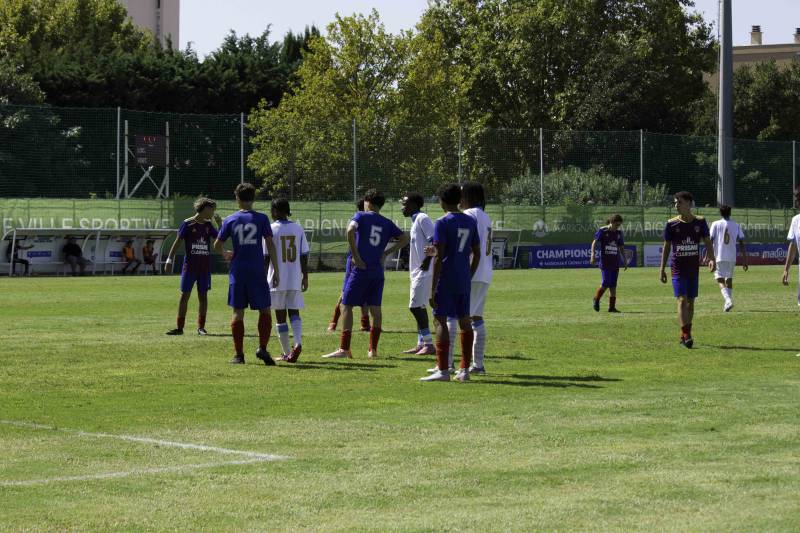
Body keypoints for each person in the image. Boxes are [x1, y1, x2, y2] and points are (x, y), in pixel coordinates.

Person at [322, 188, 408, 359]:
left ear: (367, 202)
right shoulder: (386, 222)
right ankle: (372, 350)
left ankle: (344, 349)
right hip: (377, 271)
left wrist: (355, 256)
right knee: (376, 310)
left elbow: (349, 231)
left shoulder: (360, 216)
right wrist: (385, 253)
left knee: (346, 305)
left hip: (360, 269)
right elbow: (405, 238)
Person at [214, 183, 281, 365]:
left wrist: (225, 253)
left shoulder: (230, 220)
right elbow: (270, 244)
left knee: (238, 312)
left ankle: (238, 355)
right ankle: (262, 348)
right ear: (254, 198)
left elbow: (217, 244)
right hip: (257, 271)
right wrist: (275, 269)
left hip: (238, 271)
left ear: (237, 198)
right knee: (265, 310)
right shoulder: (261, 218)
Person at [421, 183, 481, 382]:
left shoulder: (442, 222)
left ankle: (443, 370)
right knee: (465, 320)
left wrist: (432, 288)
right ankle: (464, 370)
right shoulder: (470, 221)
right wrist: (469, 274)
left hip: (445, 278)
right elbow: (477, 253)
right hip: (463, 278)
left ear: (442, 201)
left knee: (439, 319)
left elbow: (438, 256)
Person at [659, 191, 715, 349]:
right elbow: (667, 246)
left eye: (679, 202)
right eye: (675, 203)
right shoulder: (671, 224)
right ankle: (687, 335)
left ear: (689, 204)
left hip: (693, 269)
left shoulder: (700, 222)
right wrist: (662, 269)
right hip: (677, 269)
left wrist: (711, 259)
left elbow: (708, 242)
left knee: (690, 302)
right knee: (682, 300)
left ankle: (685, 333)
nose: (676, 205)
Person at [165, 198, 220, 336]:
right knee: (184, 295)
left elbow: (219, 239)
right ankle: (179, 328)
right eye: (211, 209)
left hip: (204, 268)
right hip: (189, 267)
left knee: (203, 296)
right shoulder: (187, 223)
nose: (213, 212)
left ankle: (201, 328)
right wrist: (169, 259)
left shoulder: (208, 225)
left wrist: (220, 225)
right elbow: (178, 242)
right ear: (204, 209)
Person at [267, 198, 310, 363]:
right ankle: (297, 343)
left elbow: (266, 257)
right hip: (294, 277)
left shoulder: (271, 229)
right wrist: (305, 276)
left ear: (276, 211)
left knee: (279, 315)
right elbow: (304, 254)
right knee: (294, 311)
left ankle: (286, 352)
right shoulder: (298, 228)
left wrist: (265, 279)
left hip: (276, 278)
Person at [461, 181, 493, 375]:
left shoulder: (469, 215)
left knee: (459, 318)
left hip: (470, 271)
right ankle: (477, 365)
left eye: (462, 195)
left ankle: (452, 365)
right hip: (485, 271)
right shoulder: (485, 216)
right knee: (476, 318)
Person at [327, 199, 372, 333]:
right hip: (353, 260)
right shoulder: (359, 219)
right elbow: (352, 235)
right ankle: (334, 322)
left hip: (365, 260)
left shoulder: (367, 221)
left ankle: (365, 324)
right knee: (346, 291)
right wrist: (355, 256)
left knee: (366, 291)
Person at [400, 192, 436, 356]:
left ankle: (428, 343)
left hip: (425, 271)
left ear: (414, 204)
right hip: (417, 272)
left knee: (414, 307)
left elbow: (435, 240)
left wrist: (427, 262)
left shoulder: (422, 218)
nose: (402, 207)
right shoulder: (415, 221)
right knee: (419, 306)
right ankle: (421, 343)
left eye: (405, 204)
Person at [709, 205, 748, 311]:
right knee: (729, 279)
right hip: (731, 256)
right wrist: (745, 259)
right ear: (730, 213)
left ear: (720, 213)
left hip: (719, 256)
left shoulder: (715, 224)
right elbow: (741, 242)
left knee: (719, 279)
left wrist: (708, 256)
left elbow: (710, 240)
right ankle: (728, 303)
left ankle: (728, 300)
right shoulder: (736, 225)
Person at [590, 214, 629, 313]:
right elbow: (594, 243)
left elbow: (621, 247)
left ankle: (612, 307)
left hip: (615, 262)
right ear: (611, 222)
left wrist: (625, 260)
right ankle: (596, 298)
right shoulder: (603, 231)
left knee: (613, 285)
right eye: (616, 225)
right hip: (605, 262)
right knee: (606, 282)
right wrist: (593, 255)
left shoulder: (619, 233)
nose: (617, 227)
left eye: (619, 225)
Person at [781, 187, 800, 301]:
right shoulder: (796, 220)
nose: (796, 201)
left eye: (798, 198)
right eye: (797, 198)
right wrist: (786, 270)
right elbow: (793, 246)